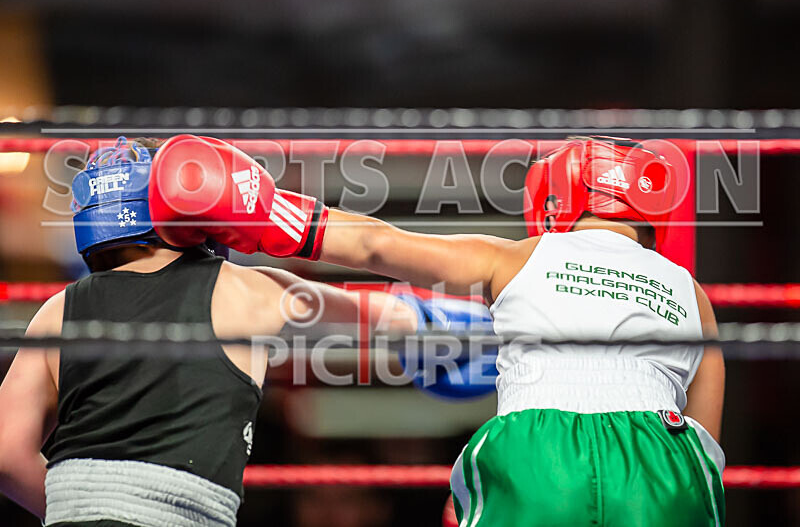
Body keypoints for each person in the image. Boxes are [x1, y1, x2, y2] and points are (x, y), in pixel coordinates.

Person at [149, 135, 725, 526]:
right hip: (664, 460)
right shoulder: (693, 295)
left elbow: (380, 245)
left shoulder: (523, 256)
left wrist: (263, 212)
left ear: (557, 199)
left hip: (541, 456)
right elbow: (706, 449)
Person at [0, 137, 487, 526]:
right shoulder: (245, 290)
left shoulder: (57, 310)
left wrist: (84, 508)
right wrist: (461, 326)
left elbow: (5, 454)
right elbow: (376, 315)